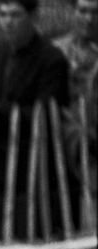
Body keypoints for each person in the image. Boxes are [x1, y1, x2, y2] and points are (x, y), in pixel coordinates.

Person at [0, 0, 71, 239]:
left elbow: (46, 116)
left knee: (33, 239)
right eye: (2, 15)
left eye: (15, 15)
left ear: (32, 17)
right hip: (0, 165)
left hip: (38, 167)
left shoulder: (51, 59)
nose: (8, 22)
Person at [54, 0, 98, 202]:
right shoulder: (58, 50)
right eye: (83, 11)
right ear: (73, 12)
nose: (89, 19)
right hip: (61, 139)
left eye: (95, 12)